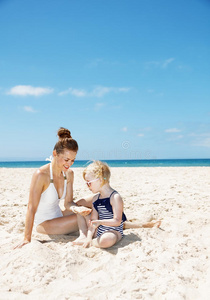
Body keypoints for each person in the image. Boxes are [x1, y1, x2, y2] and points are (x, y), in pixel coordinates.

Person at [15, 127, 92, 248]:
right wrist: (27, 238)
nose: (69, 163)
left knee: (95, 199)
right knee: (91, 215)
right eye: (66, 159)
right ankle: (118, 225)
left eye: (73, 160)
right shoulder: (41, 175)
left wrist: (77, 209)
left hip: (59, 215)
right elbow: (31, 207)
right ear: (55, 154)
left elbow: (68, 203)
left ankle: (117, 221)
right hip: (44, 224)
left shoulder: (69, 174)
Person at [73, 161, 161, 249]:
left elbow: (117, 221)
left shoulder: (115, 197)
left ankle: (93, 242)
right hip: (99, 230)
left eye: (89, 183)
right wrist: (89, 236)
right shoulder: (96, 199)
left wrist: (100, 222)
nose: (88, 186)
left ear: (100, 180)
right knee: (81, 211)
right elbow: (93, 221)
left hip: (113, 231)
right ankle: (86, 238)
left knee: (107, 240)